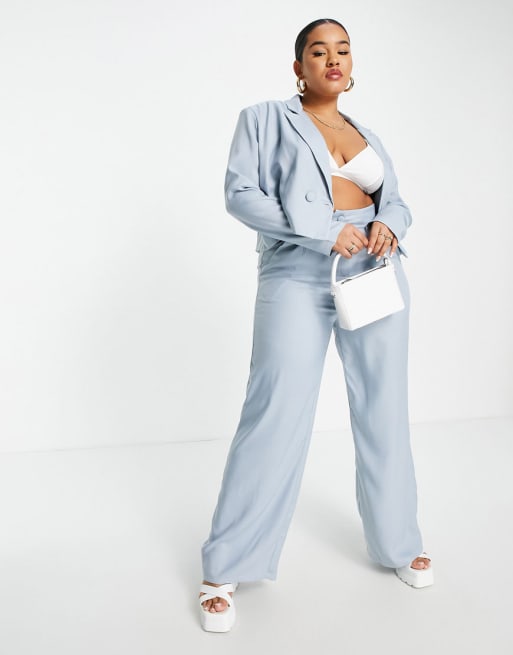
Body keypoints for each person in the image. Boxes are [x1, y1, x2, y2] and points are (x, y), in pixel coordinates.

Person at [198, 18, 433, 633]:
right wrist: (326, 231)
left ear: (351, 66)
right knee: (275, 409)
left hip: (374, 268)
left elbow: (396, 200)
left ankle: (399, 540)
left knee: (384, 406)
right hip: (298, 272)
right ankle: (226, 563)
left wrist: (391, 225)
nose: (333, 59)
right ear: (298, 66)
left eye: (343, 50)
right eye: (319, 51)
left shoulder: (366, 134)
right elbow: (241, 194)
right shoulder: (264, 120)